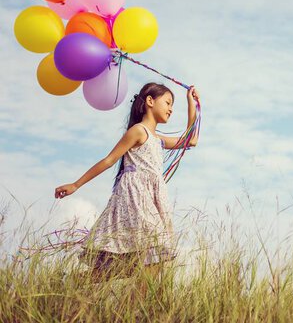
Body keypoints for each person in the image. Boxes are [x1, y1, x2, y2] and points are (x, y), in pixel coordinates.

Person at [54, 82, 199, 299]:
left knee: (140, 261)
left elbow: (192, 140)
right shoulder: (138, 132)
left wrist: (192, 103)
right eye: (168, 103)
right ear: (150, 101)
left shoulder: (158, 140)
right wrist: (76, 184)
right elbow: (109, 160)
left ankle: (73, 281)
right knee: (156, 252)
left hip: (152, 200)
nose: (170, 109)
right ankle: (133, 308)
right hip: (134, 198)